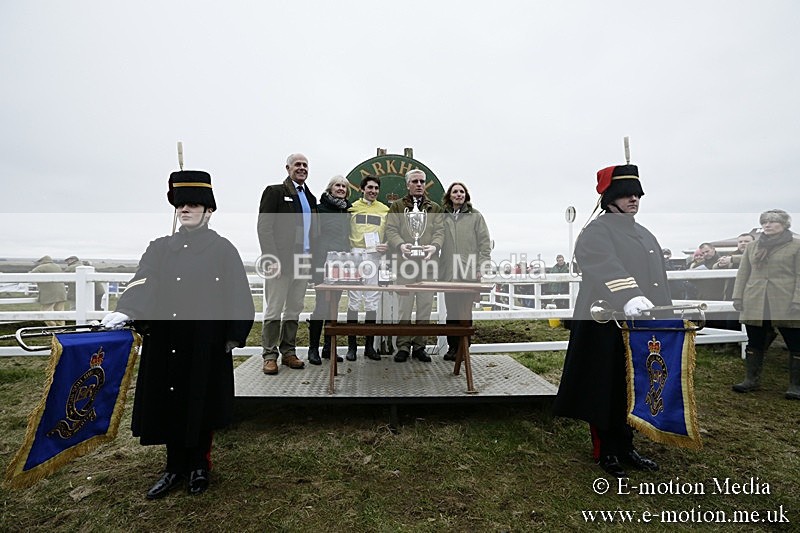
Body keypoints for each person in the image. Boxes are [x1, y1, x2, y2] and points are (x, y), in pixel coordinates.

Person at [101, 170, 254, 499]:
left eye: (193, 204)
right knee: (170, 402)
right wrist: (127, 309)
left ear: (208, 211)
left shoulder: (223, 249)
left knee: (201, 401)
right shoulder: (160, 248)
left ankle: (199, 465)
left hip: (206, 341)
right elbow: (145, 280)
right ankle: (174, 467)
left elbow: (239, 294)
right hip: (167, 339)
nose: (185, 210)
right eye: (180, 204)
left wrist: (232, 335)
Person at [553, 161, 670, 478]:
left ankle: (627, 444)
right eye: (626, 194)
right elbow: (603, 264)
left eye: (637, 194)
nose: (634, 199)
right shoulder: (595, 231)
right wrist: (629, 295)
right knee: (604, 384)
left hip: (640, 325)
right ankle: (605, 449)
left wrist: (664, 314)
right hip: (604, 323)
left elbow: (657, 279)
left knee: (633, 384)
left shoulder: (644, 234)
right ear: (610, 198)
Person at [257, 153, 317, 375]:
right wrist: (271, 258)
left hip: (303, 261)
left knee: (294, 308)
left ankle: (288, 352)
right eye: (297, 164)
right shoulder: (275, 192)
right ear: (288, 168)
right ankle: (269, 355)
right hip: (280, 262)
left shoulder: (310, 198)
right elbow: (264, 227)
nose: (302, 168)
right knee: (274, 309)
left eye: (305, 165)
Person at [731, 209, 800, 399]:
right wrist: (738, 297)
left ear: (785, 224)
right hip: (756, 300)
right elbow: (743, 273)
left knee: (795, 342)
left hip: (786, 301)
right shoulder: (753, 246)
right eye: (764, 222)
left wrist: (798, 300)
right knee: (755, 341)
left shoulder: (796, 245)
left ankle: (796, 385)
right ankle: (751, 380)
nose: (767, 225)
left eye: (773, 221)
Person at [384, 168, 444, 362]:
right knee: (404, 305)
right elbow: (391, 229)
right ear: (407, 184)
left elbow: (439, 231)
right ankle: (402, 346)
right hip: (404, 263)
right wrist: (400, 245)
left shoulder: (434, 208)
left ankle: (420, 346)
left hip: (427, 263)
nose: (419, 185)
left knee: (425, 305)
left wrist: (435, 247)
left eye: (422, 181)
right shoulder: (397, 207)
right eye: (415, 181)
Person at [439, 182, 491, 360]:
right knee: (451, 311)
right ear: (449, 195)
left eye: (461, 192)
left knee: (465, 311)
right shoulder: (443, 216)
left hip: (468, 271)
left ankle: (464, 348)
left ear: (466, 195)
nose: (458, 194)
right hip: (448, 272)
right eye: (455, 192)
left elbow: (484, 244)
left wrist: (481, 267)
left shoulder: (475, 217)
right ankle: (452, 348)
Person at [308, 175, 352, 365]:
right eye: (337, 185)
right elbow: (312, 237)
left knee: (334, 306)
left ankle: (328, 347)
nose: (341, 188)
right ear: (330, 188)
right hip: (322, 263)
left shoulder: (347, 212)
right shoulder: (319, 209)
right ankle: (313, 349)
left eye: (344, 186)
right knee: (321, 306)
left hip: (341, 264)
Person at [346, 175, 389, 361]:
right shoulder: (352, 208)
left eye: (376, 188)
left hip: (374, 256)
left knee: (372, 299)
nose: (373, 191)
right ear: (362, 189)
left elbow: (390, 233)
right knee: (354, 299)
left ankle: (369, 347)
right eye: (369, 188)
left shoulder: (385, 209)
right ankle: (352, 347)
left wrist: (386, 244)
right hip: (355, 254)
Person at [29, 255, 66, 326]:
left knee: (45, 313)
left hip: (49, 294)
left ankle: (53, 327)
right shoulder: (57, 266)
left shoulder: (41, 267)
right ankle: (61, 329)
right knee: (60, 313)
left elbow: (31, 276)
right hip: (61, 293)